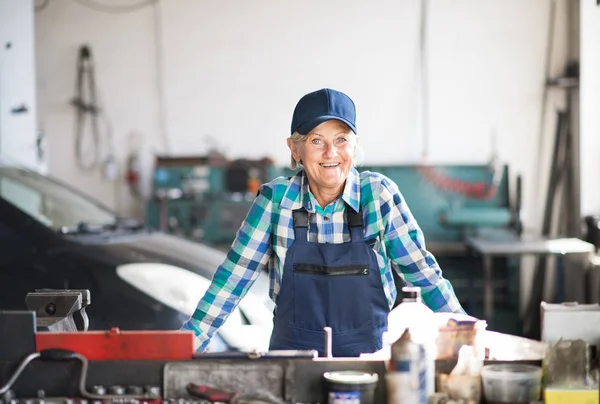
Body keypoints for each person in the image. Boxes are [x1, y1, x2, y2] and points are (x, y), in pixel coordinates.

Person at [182, 88, 464, 357]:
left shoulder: (378, 196)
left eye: (341, 139)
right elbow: (232, 280)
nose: (331, 153)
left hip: (371, 361)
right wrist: (187, 343)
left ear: (355, 146)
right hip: (293, 360)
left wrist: (466, 341)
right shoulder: (275, 201)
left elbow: (424, 276)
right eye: (317, 141)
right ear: (295, 150)